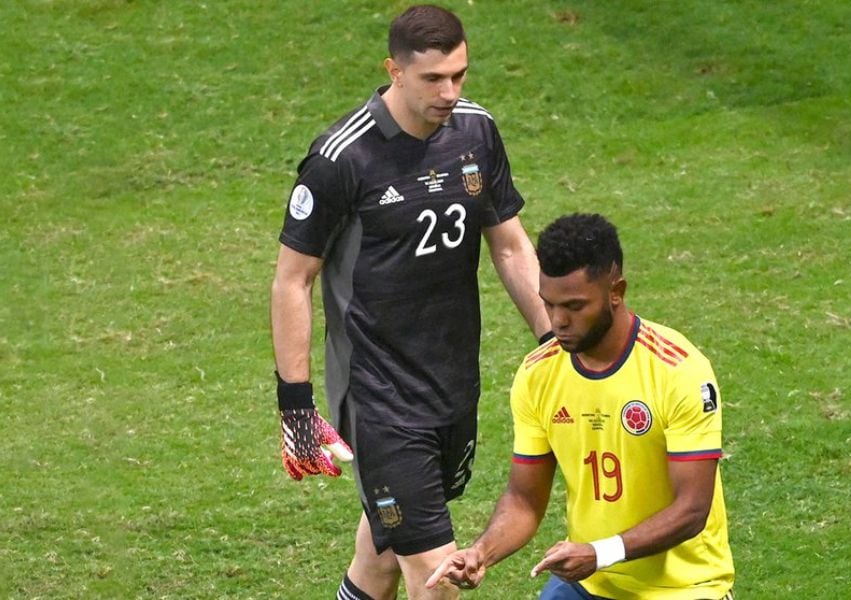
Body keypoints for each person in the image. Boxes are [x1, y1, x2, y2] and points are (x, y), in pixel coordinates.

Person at [269, 5, 551, 600]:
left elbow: (508, 244)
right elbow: (293, 280)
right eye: (433, 79)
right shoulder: (342, 158)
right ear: (393, 70)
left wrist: (555, 343)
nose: (450, 92)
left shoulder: (476, 132)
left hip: (451, 384)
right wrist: (295, 405)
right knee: (438, 577)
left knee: (381, 556)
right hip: (378, 399)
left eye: (460, 75)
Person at [427, 213, 735, 599]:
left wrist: (601, 552)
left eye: (574, 306)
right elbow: (525, 498)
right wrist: (481, 553)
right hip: (591, 585)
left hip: (684, 588)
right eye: (549, 304)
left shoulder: (678, 370)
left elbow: (692, 509)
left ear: (616, 292)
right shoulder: (539, 374)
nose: (558, 321)